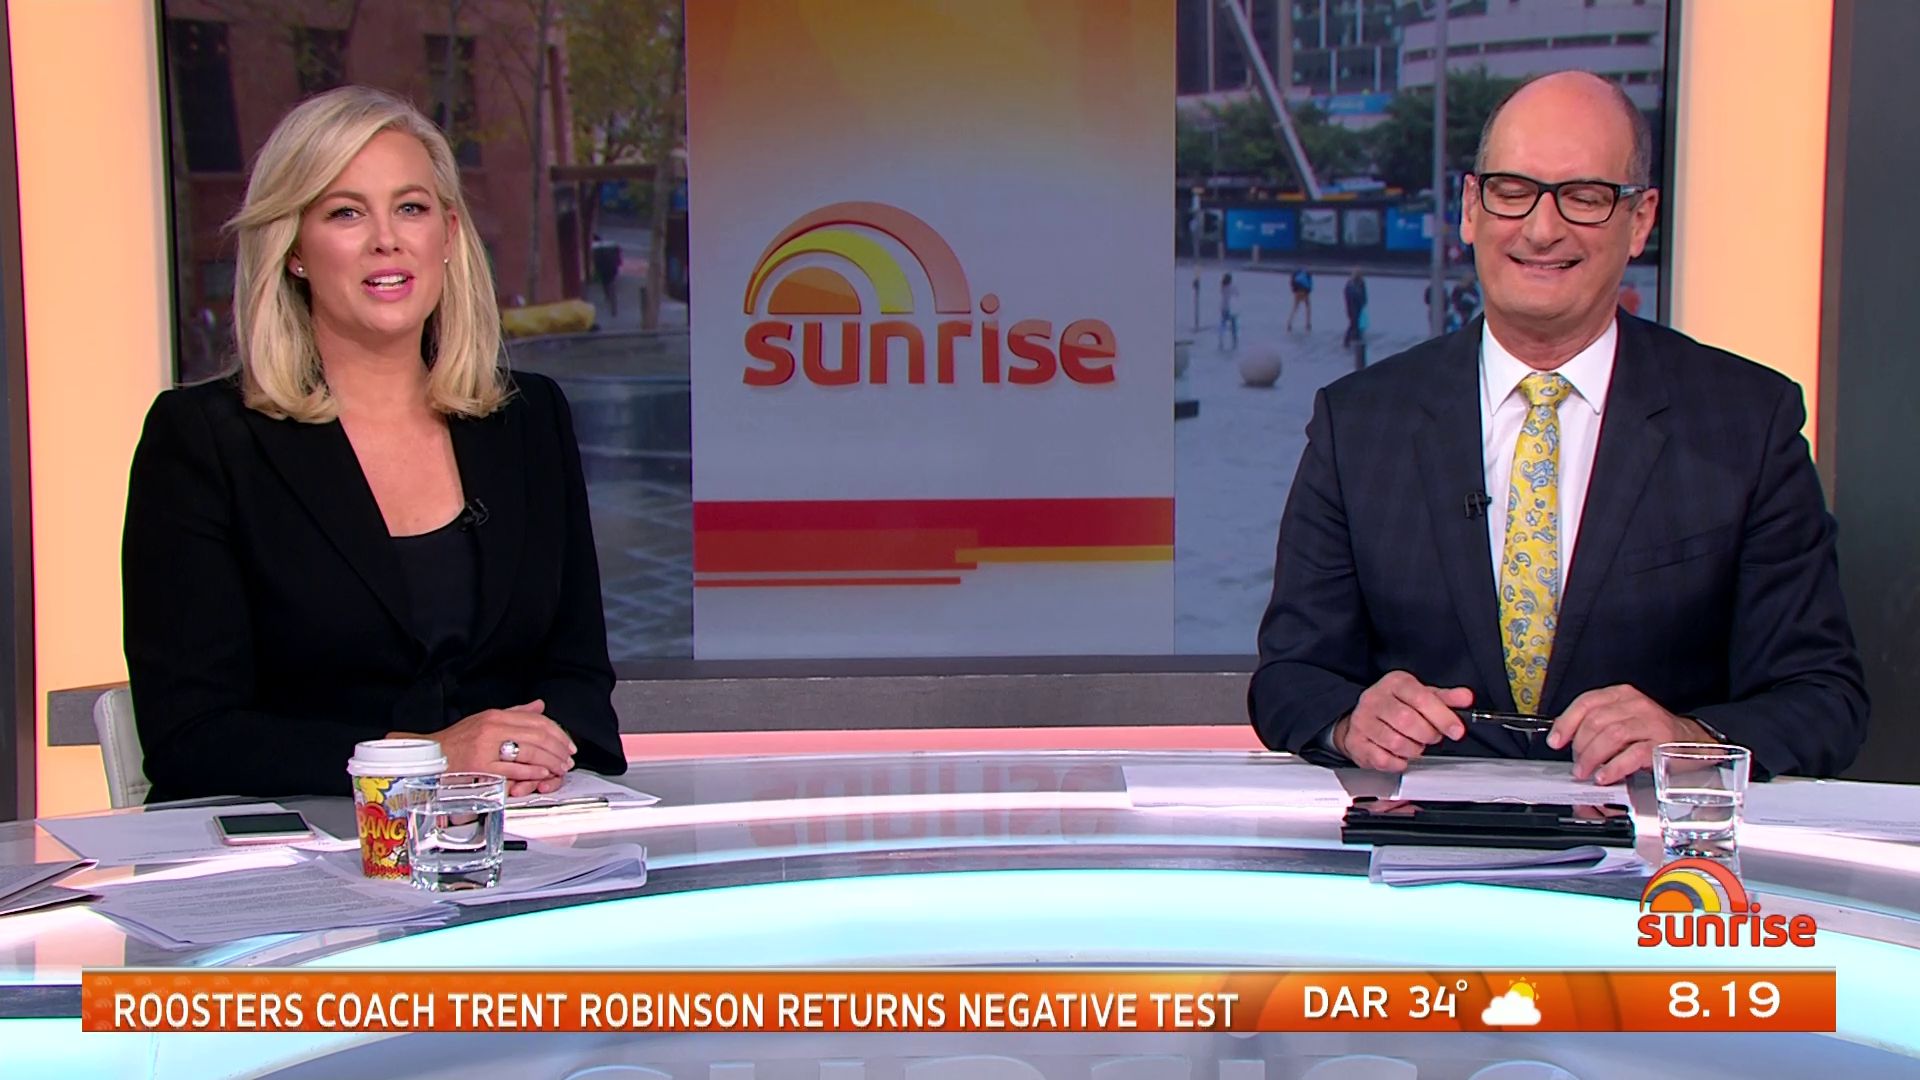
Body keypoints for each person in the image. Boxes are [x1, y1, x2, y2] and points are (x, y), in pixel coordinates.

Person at [1249, 71, 1866, 784]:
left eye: (1585, 197)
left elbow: (1824, 699)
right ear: (1471, 208)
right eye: (1513, 191)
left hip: (1649, 840)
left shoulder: (1747, 422)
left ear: (1641, 220)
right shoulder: (1358, 422)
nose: (1542, 230)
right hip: (1422, 834)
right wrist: (1352, 720)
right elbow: (1290, 679)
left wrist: (1688, 737)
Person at [122, 86, 625, 802]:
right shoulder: (203, 439)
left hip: (510, 834)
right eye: (346, 212)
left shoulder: (528, 418)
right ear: (294, 249)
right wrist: (427, 759)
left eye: (411, 208)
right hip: (306, 845)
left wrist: (528, 758)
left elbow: (578, 679)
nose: (387, 239)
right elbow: (191, 736)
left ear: (448, 234)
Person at [590, 232, 624, 318]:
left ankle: (608, 297)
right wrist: (618, 263)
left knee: (605, 283)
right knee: (612, 284)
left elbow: (594, 260)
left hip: (602, 269)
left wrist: (595, 270)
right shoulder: (610, 245)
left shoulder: (594, 247)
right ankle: (613, 305)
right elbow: (618, 253)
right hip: (612, 268)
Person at [1342, 268, 1368, 349]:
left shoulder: (1361, 283)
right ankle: (1347, 340)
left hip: (1359, 306)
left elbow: (1364, 294)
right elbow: (1348, 296)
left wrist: (1363, 302)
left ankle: (1356, 338)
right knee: (1353, 323)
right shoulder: (1350, 284)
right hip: (1351, 306)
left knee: (1357, 323)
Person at [1218, 271, 1240, 350]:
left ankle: (1221, 338)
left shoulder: (1223, 287)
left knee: (1223, 324)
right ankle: (1235, 339)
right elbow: (1237, 294)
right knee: (1233, 325)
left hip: (1224, 308)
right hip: (1232, 308)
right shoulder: (1233, 287)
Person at [1287, 267, 1313, 332]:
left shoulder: (1298, 275)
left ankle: (1289, 323)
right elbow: (1310, 287)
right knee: (1308, 307)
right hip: (1304, 292)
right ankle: (1308, 324)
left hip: (1297, 292)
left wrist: (1295, 291)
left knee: (1295, 307)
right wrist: (1307, 292)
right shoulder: (1308, 276)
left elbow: (1292, 283)